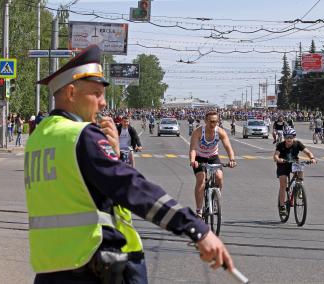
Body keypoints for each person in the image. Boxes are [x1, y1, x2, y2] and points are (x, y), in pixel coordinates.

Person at [26, 45, 234, 284]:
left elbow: (78, 191)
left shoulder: (39, 138)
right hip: (92, 265)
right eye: (96, 93)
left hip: (51, 267)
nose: (103, 103)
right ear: (71, 93)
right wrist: (196, 229)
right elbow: (130, 187)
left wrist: (113, 154)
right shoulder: (81, 136)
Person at [189, 110, 237, 217]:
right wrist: (193, 160)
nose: (213, 124)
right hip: (199, 158)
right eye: (210, 121)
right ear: (205, 121)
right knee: (201, 179)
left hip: (213, 157)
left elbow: (228, 148)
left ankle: (215, 199)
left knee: (219, 177)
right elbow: (192, 149)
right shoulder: (197, 132)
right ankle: (198, 210)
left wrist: (232, 160)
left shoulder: (220, 132)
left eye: (215, 121)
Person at [273, 127, 317, 215]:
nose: (289, 139)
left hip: (293, 163)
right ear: (284, 137)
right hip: (283, 164)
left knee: (301, 167)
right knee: (283, 184)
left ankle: (299, 186)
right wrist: (279, 159)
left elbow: (308, 152)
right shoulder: (280, 145)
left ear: (294, 137)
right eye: (287, 137)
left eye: (291, 137)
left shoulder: (297, 144)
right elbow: (275, 156)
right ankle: (282, 206)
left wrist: (312, 158)